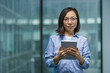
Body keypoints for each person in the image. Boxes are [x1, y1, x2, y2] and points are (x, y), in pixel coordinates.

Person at [45, 7, 90, 73]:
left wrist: (79, 57)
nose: (70, 22)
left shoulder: (83, 40)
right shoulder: (53, 39)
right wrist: (57, 58)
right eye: (66, 19)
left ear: (77, 21)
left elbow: (87, 65)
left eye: (73, 19)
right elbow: (47, 63)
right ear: (62, 21)